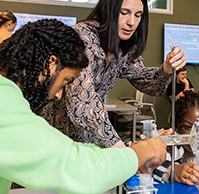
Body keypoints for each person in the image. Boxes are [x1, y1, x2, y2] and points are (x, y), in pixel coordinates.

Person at [0, 19, 167, 193]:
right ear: (49, 63)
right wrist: (142, 152)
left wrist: (128, 151)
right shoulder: (5, 104)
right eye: (65, 81)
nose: (58, 95)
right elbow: (78, 168)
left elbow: (71, 151)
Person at [42, 0, 186, 148]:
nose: (131, 22)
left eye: (138, 15)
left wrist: (167, 68)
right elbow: (83, 102)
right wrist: (122, 150)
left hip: (89, 137)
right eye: (124, 13)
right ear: (108, 11)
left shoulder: (123, 47)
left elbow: (148, 83)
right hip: (56, 133)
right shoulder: (83, 37)